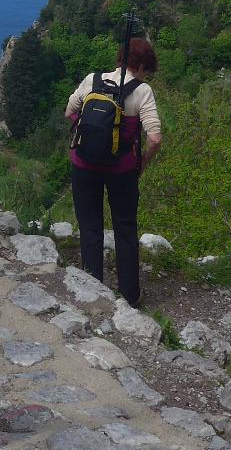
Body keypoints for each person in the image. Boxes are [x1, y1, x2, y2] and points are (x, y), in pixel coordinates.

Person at [65, 36, 163, 309]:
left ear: (121, 58)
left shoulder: (92, 80)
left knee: (90, 226)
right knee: (125, 228)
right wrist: (141, 163)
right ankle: (130, 295)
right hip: (122, 171)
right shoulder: (142, 92)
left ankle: (93, 290)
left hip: (84, 165)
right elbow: (154, 138)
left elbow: (68, 112)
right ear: (142, 65)